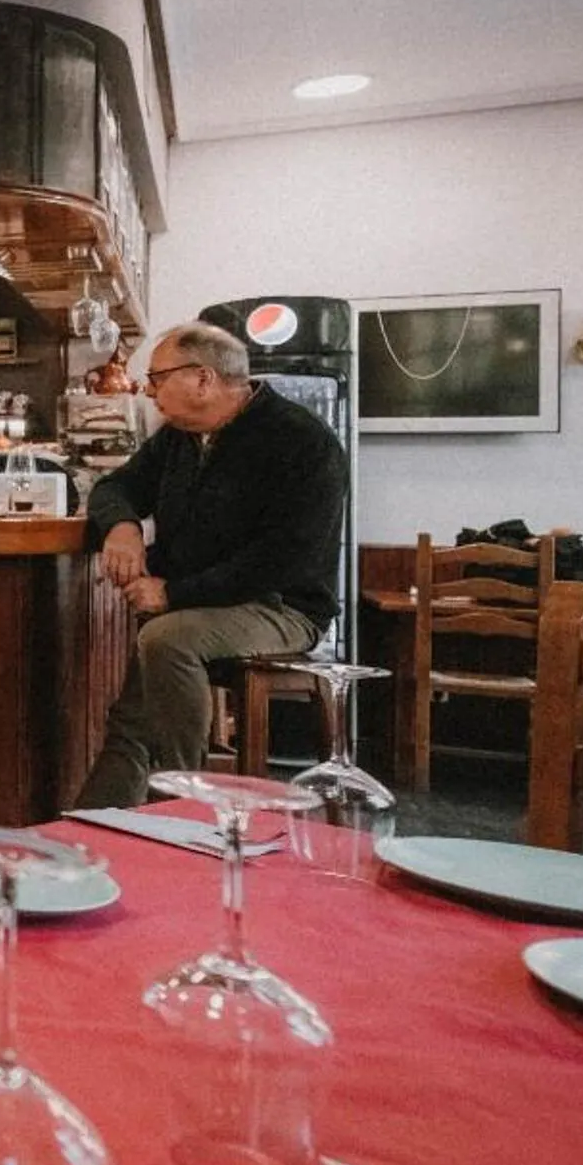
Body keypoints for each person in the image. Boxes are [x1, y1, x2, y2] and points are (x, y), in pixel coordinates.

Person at [76, 320, 348, 807]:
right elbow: (114, 488)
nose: (149, 390)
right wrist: (122, 526)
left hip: (283, 607)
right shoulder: (178, 439)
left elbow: (284, 559)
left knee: (166, 637)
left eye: (158, 378)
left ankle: (183, 804)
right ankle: (94, 824)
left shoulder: (303, 442)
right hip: (196, 605)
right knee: (133, 718)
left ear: (203, 378)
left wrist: (174, 593)